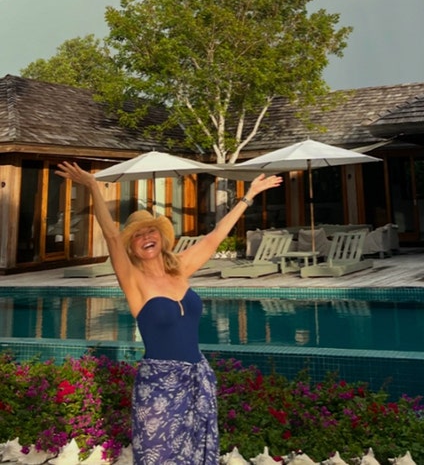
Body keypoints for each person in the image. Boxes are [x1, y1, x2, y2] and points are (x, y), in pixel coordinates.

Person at [56, 162, 282, 465]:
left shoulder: (181, 269)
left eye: (151, 231)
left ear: (161, 238)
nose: (146, 236)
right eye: (138, 235)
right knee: (158, 456)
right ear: (134, 248)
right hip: (159, 386)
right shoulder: (134, 281)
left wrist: (249, 195)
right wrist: (93, 185)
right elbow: (111, 235)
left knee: (197, 454)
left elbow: (215, 236)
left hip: (196, 377)